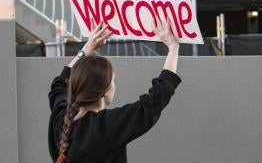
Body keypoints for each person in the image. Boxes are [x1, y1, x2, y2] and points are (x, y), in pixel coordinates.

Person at [49, 18, 181, 163]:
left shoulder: (61, 119)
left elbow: (59, 84)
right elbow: (155, 101)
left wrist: (87, 48)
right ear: (105, 91)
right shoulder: (107, 126)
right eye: (113, 80)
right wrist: (173, 47)